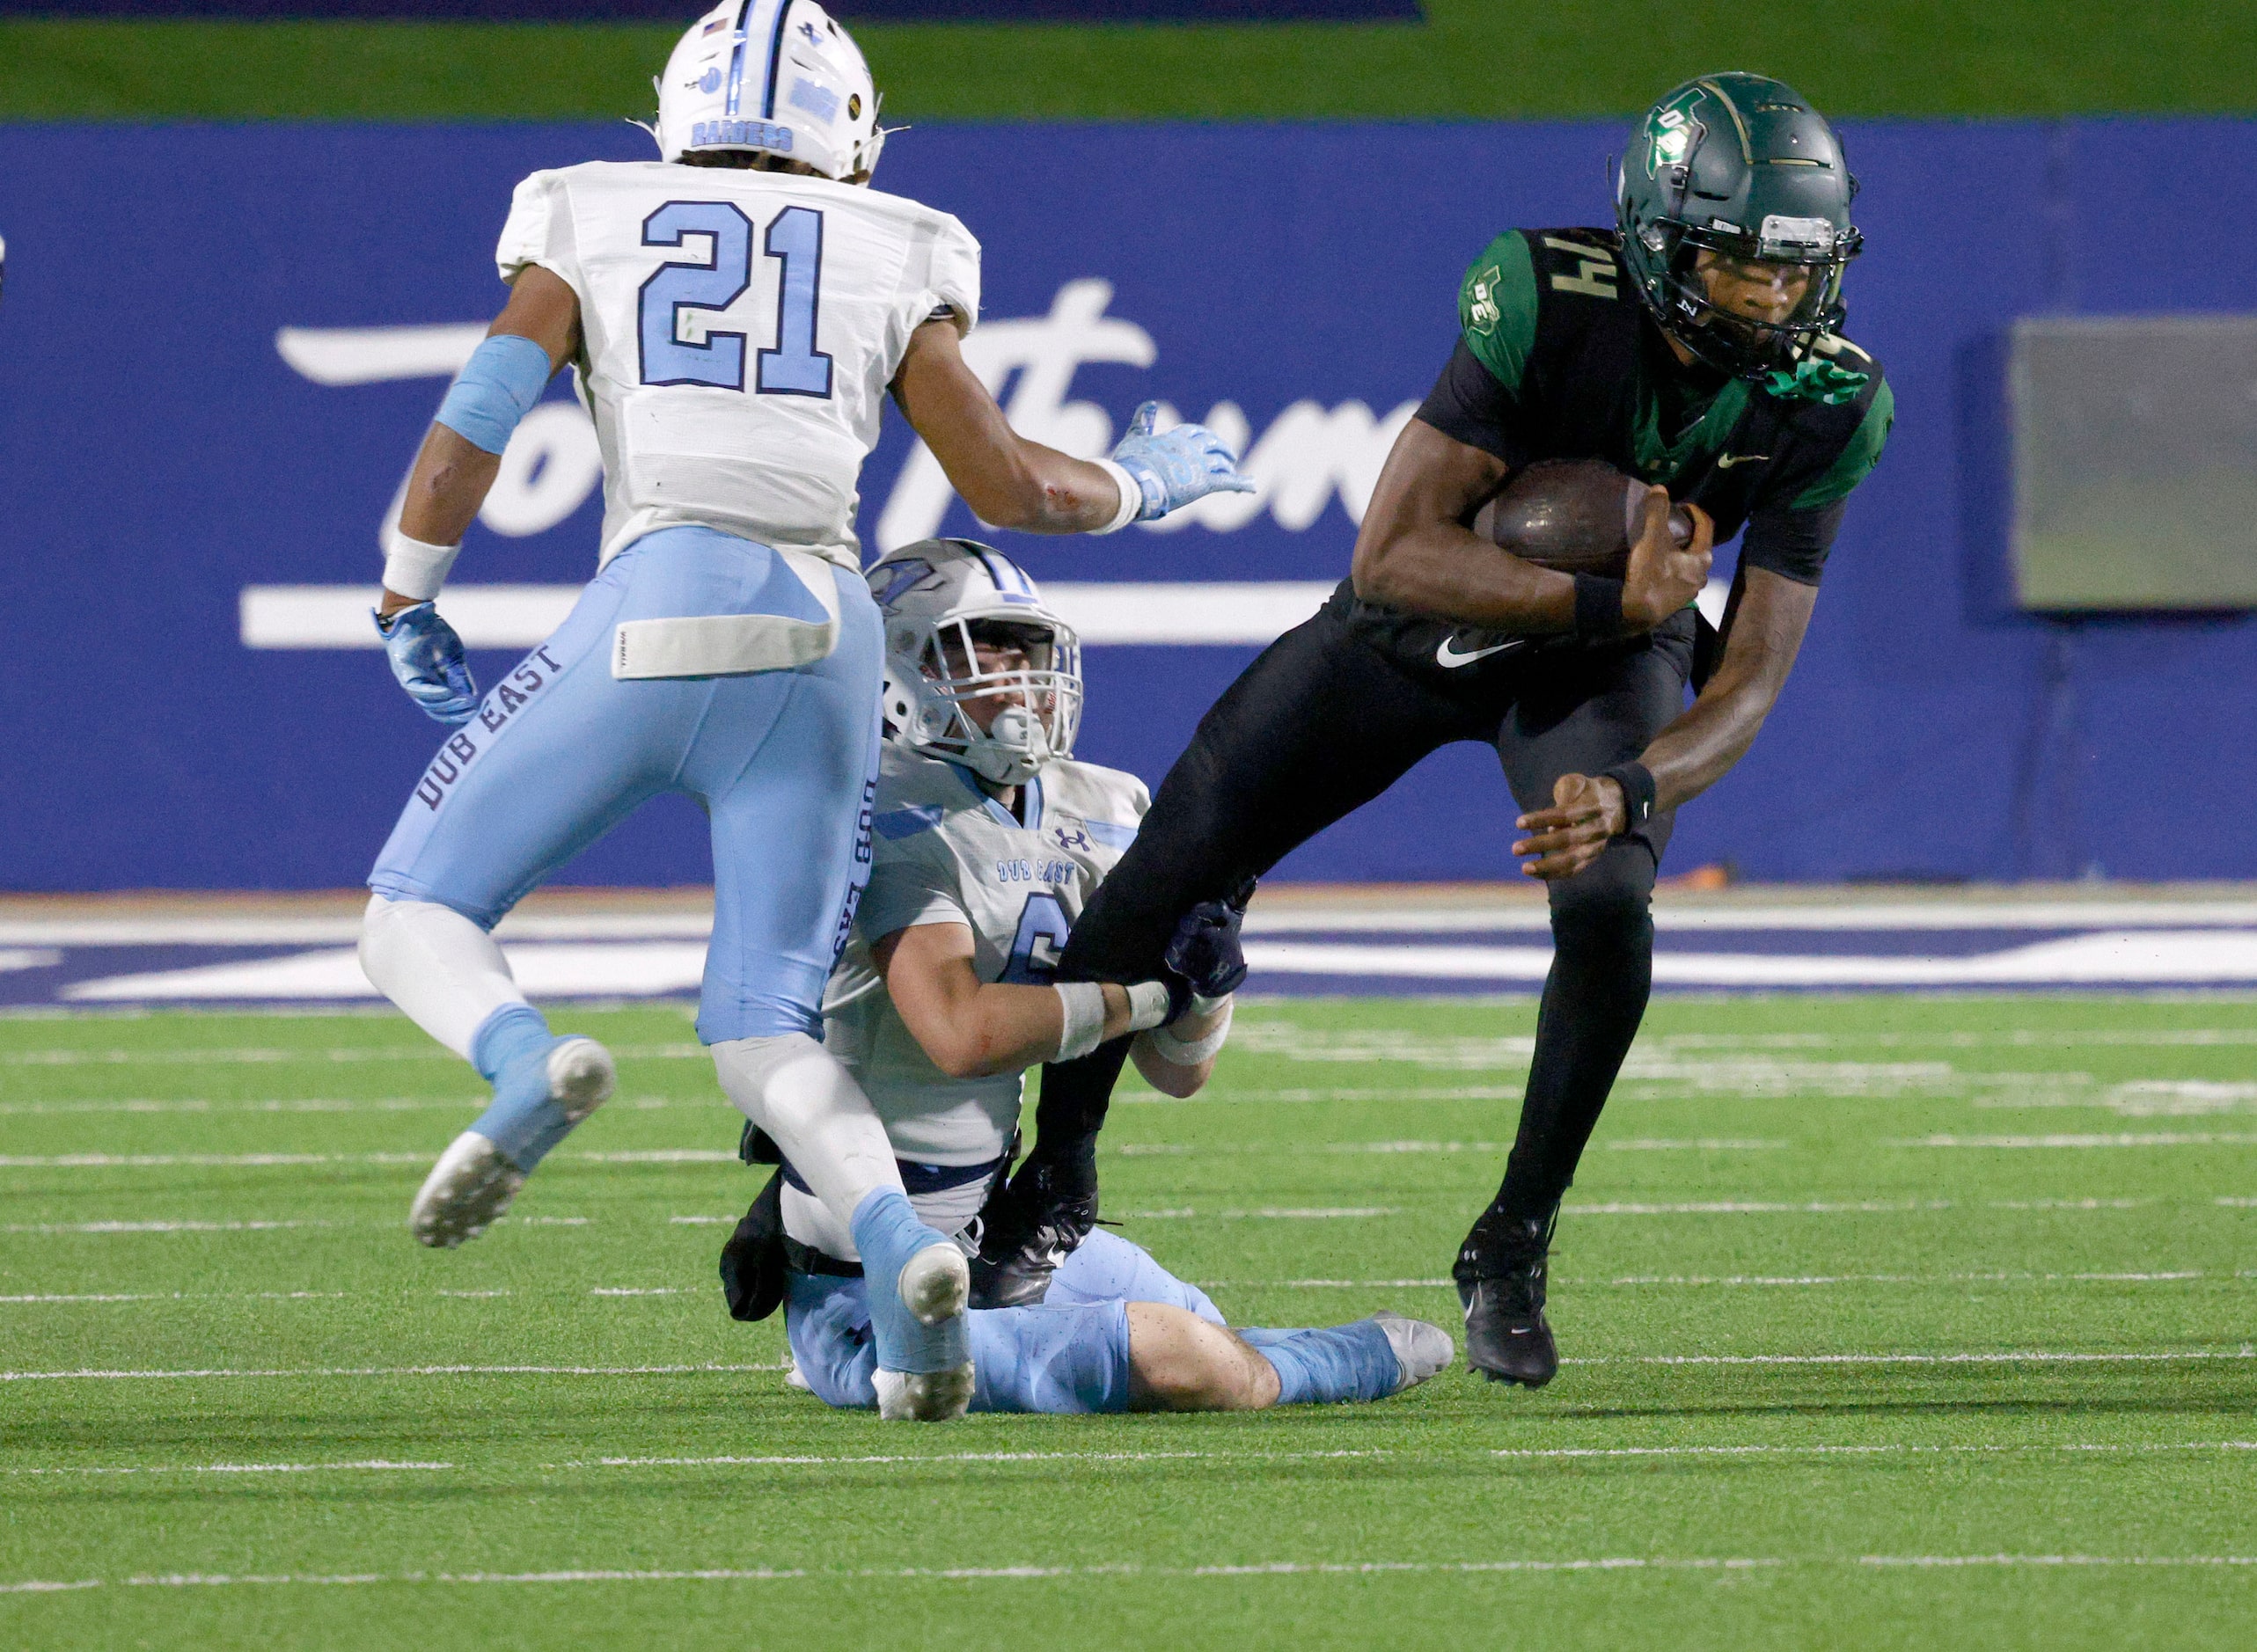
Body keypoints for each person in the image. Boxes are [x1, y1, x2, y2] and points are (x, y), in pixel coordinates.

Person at [352, 0, 1251, 1421]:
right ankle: (899, 1239)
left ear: (680, 108)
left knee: (414, 906)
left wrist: (412, 588)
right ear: (851, 134)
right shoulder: (901, 241)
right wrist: (1151, 483)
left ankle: (526, 1061)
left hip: (660, 593)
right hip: (827, 632)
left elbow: (485, 404)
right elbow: (1011, 486)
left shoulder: (586, 209)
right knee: (764, 1025)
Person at [976, 72, 1896, 1389]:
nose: (1769, 300)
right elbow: (1392, 555)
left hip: (1606, 658)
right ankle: (1055, 1173)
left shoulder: (1830, 401)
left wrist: (1634, 788)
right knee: (1172, 851)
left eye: (1792, 273)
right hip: (1443, 608)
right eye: (1737, 266)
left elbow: (1746, 678)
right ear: (1655, 238)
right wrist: (1597, 588)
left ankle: (1512, 1238)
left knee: (1607, 909)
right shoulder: (1546, 293)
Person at [718, 539, 1455, 1415]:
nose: (1021, 677)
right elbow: (962, 1035)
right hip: (867, 1282)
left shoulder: (1101, 804)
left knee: (1198, 1325)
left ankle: (1252, 1359)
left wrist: (1208, 984)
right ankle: (1343, 1363)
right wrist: (1146, 997)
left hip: (991, 1225)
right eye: (983, 649)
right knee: (1202, 1363)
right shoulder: (881, 811)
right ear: (896, 670)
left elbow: (1178, 1071)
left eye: (1028, 652)